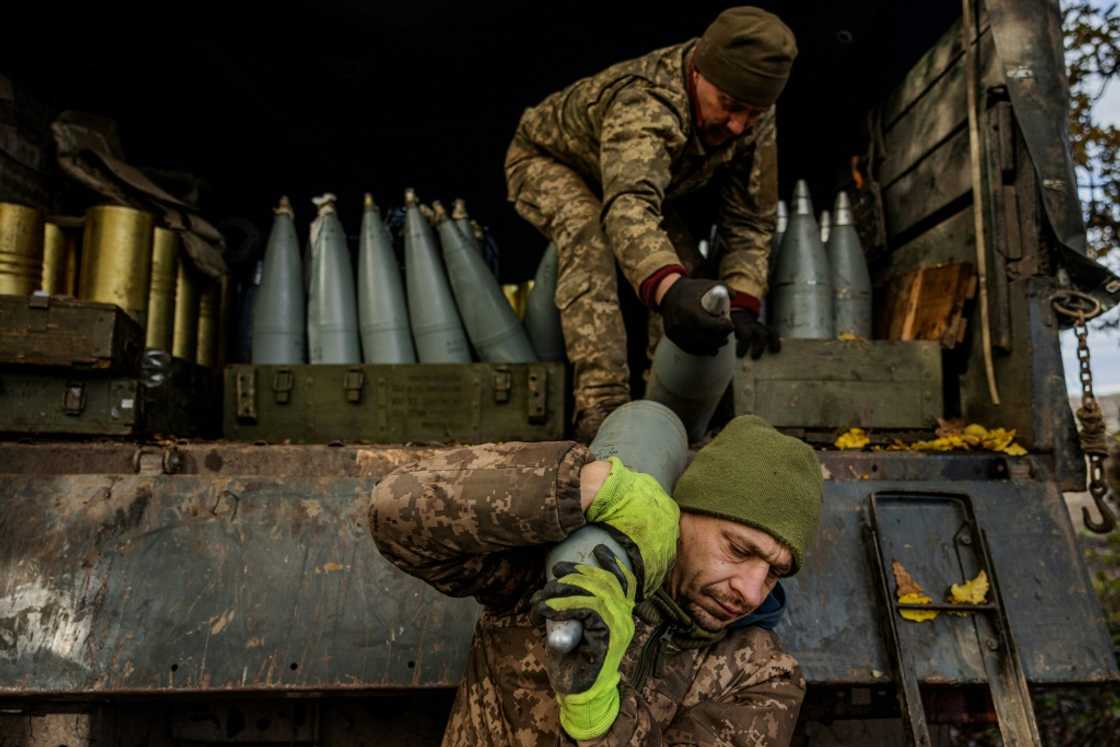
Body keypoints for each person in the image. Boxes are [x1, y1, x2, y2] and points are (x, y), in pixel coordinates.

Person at [370, 415, 822, 745]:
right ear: (682, 514)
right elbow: (396, 509)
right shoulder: (548, 568)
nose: (750, 590)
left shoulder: (762, 676)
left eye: (774, 572)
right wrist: (583, 488)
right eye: (739, 550)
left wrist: (597, 712)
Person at [505, 7, 795, 441]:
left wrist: (741, 302)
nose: (739, 126)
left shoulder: (752, 110)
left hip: (633, 181)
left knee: (693, 282)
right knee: (589, 234)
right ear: (698, 72)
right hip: (550, 162)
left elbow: (750, 219)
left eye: (753, 114)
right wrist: (667, 290)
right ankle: (601, 407)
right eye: (731, 107)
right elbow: (628, 205)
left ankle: (668, 413)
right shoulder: (648, 101)